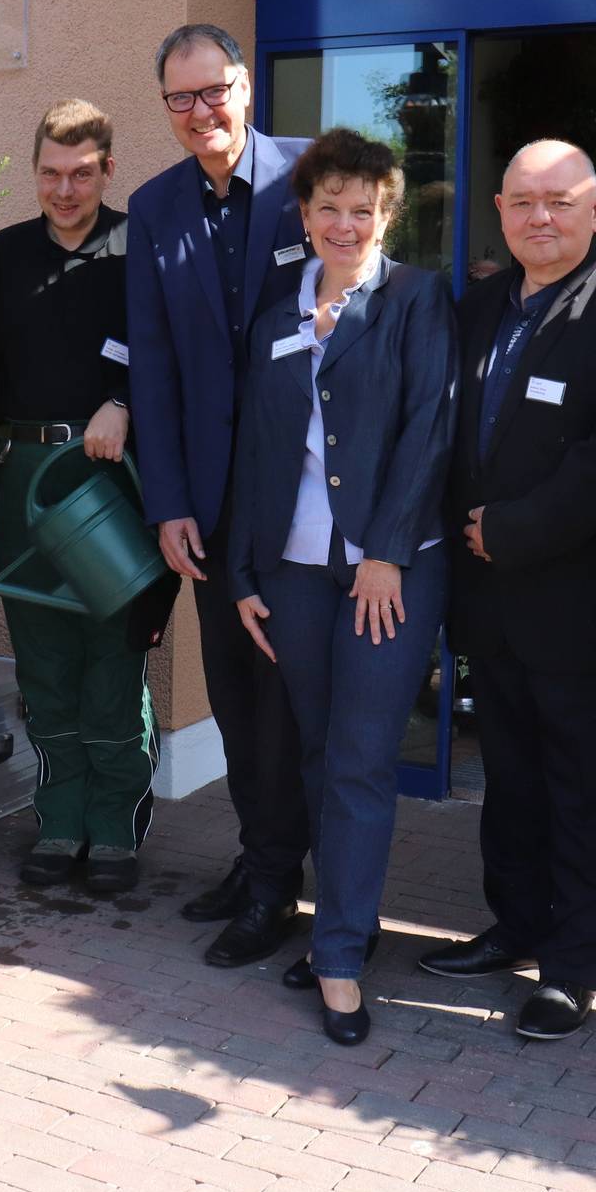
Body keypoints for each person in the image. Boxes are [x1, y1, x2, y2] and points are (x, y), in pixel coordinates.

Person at [415, 140, 596, 1041]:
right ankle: (515, 927)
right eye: (522, 201)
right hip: (491, 603)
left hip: (586, 605)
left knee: (589, 792)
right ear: (498, 208)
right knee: (512, 782)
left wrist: (513, 529)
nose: (540, 217)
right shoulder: (480, 302)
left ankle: (570, 968)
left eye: (560, 201)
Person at [227, 128, 455, 1045]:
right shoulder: (277, 312)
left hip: (386, 573)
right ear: (305, 212)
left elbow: (430, 428)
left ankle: (341, 957)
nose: (346, 223)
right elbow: (258, 448)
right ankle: (337, 928)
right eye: (330, 206)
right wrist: (244, 569)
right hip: (295, 570)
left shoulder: (415, 298)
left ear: (387, 213)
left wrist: (387, 551)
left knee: (360, 758)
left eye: (364, 208)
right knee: (318, 754)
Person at [126, 22, 312, 967]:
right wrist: (168, 501)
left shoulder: (313, 177)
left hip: (301, 496)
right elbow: (151, 366)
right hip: (207, 497)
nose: (202, 113)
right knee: (235, 692)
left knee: (283, 690)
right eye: (181, 99)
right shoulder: (155, 206)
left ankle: (282, 878)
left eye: (215, 91)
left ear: (247, 85)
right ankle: (259, 855)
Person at [0, 99, 158, 895]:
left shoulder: (137, 248)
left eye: (82, 174)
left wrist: (127, 399)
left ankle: (115, 826)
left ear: (108, 170)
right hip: (24, 474)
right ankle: (62, 821)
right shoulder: (7, 253)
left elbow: (167, 353)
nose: (65, 189)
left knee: (111, 652)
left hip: (110, 475)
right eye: (51, 173)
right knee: (43, 657)